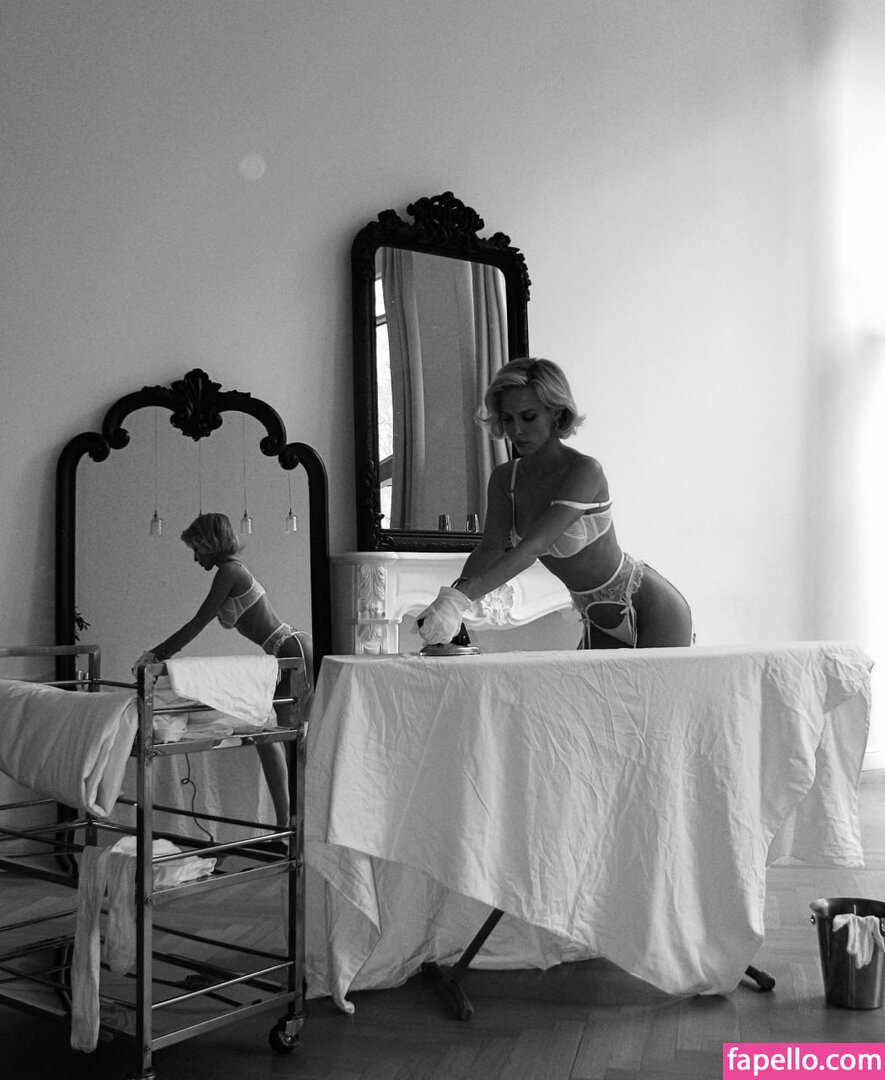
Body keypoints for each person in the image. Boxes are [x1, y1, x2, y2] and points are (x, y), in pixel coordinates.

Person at [416, 358, 692, 650]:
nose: (516, 430)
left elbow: (532, 548)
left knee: (655, 685)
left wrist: (461, 599)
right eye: (507, 419)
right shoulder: (505, 479)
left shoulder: (585, 471)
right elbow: (489, 549)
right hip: (593, 615)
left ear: (556, 413)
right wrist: (450, 599)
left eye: (529, 417)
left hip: (649, 607)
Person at [133, 512, 313, 830]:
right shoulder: (230, 571)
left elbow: (197, 623)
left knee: (288, 741)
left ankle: (298, 827)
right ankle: (286, 824)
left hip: (292, 650)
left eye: (196, 549)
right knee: (269, 737)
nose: (195, 558)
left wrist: (155, 656)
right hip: (287, 650)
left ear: (208, 544)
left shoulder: (230, 571)